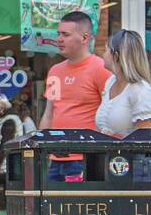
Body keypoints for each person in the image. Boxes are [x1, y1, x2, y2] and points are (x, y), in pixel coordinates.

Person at [38, 10, 112, 181]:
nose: (59, 39)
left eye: (65, 34)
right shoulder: (55, 71)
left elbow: (110, 114)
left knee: (81, 206)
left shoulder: (101, 69)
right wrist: (41, 147)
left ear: (85, 38)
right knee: (51, 206)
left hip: (86, 158)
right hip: (55, 158)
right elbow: (49, 113)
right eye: (58, 34)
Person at [95, 28, 151, 182]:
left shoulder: (141, 89)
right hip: (115, 165)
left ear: (117, 56)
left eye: (106, 50)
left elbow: (147, 138)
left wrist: (113, 138)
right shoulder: (110, 82)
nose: (102, 54)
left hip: (140, 169)